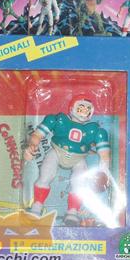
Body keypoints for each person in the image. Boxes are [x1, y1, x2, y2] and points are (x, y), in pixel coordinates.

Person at [24, 96, 110, 226]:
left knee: (79, 183)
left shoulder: (95, 130)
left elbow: (104, 155)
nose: (84, 111)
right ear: (72, 108)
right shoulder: (59, 120)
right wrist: (32, 146)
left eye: (87, 109)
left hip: (78, 158)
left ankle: (73, 212)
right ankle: (36, 206)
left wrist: (104, 171)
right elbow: (37, 135)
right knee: (45, 176)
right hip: (57, 151)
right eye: (81, 107)